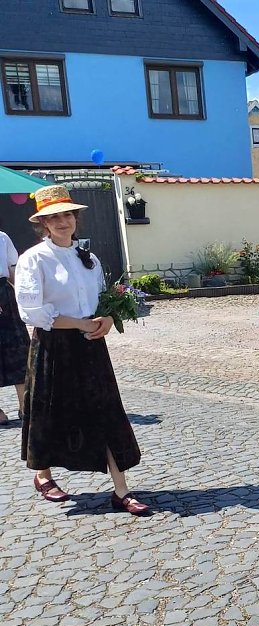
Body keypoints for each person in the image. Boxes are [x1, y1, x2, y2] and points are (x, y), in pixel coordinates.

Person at [15, 185, 149, 515]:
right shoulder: (33, 259)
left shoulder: (87, 257)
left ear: (75, 218)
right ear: (43, 224)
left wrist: (106, 319)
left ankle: (121, 490)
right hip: (53, 345)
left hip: (90, 345)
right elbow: (31, 312)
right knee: (48, 411)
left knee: (105, 411)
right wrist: (79, 324)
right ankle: (43, 475)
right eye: (54, 217)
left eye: (67, 215)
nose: (62, 222)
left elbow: (101, 299)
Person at [0, 227, 30, 425]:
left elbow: (13, 270)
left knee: (19, 350)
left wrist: (25, 296)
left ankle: (25, 405)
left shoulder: (2, 237)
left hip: (5, 296)